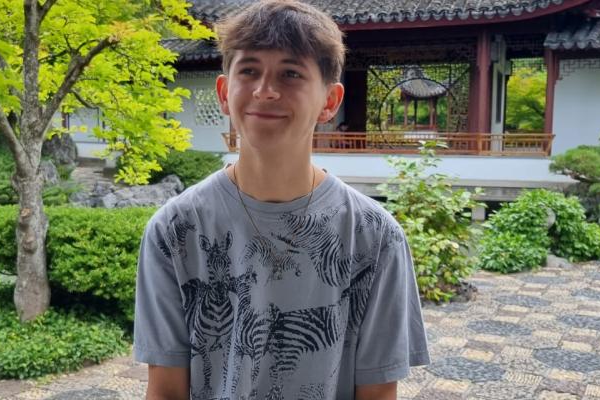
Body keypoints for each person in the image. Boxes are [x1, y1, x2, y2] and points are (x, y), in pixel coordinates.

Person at [133, 1, 430, 399]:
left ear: (329, 101)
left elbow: (377, 392)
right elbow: (166, 390)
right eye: (249, 71)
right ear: (224, 92)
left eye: (290, 73)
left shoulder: (375, 237)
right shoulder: (175, 230)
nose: (265, 90)